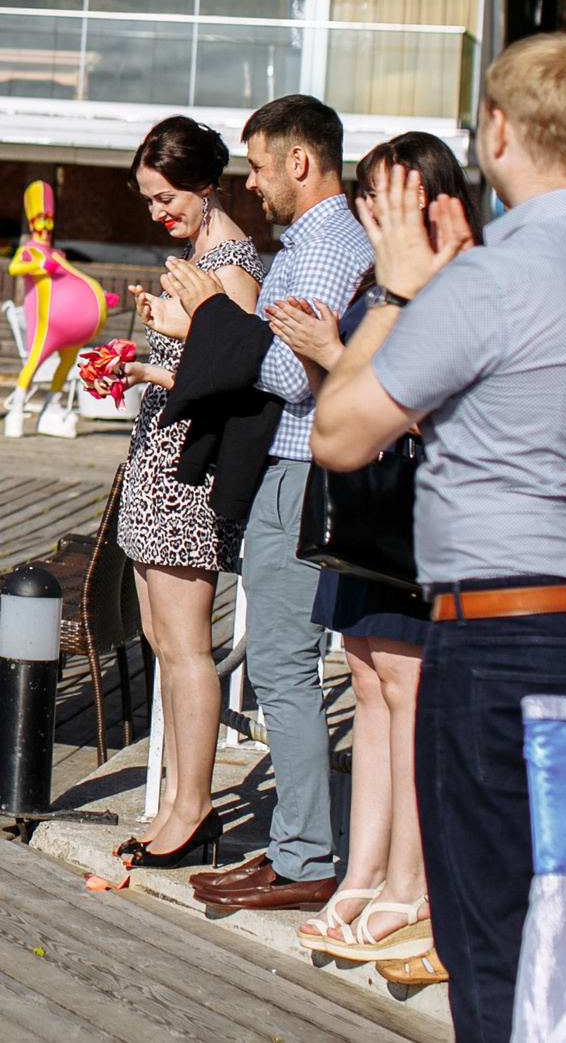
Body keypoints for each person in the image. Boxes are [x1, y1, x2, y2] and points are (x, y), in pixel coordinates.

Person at [311, 34, 566, 1035]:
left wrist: (397, 293)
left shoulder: (488, 283)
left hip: (505, 628)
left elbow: (339, 434)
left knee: (494, 939)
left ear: (497, 132)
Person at [269, 133, 477, 963]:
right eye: (369, 196)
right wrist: (328, 359)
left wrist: (335, 355)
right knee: (365, 672)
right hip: (365, 506)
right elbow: (342, 409)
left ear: (431, 198)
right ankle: (366, 865)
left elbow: (455, 414)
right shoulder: (376, 284)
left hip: (421, 510)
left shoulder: (456, 284)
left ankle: (409, 882)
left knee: (408, 681)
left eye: (389, 196)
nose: (375, 211)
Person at [184, 94, 371, 915]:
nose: (250, 182)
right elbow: (279, 351)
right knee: (276, 667)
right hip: (286, 466)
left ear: (301, 161)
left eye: (258, 165)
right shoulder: (306, 243)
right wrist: (236, 332)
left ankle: (304, 857)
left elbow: (298, 373)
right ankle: (295, 847)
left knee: (284, 669)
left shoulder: (329, 245)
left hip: (304, 467)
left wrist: (217, 323)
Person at [108, 116, 265, 868]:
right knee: (163, 643)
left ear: (207, 184)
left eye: (165, 196)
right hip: (157, 457)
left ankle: (194, 807)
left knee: (187, 647)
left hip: (186, 471)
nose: (156, 212)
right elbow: (198, 357)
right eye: (147, 198)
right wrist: (143, 358)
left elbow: (236, 377)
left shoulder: (233, 260)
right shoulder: (198, 252)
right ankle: (174, 798)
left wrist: (164, 360)